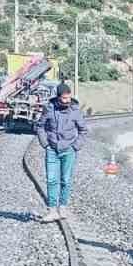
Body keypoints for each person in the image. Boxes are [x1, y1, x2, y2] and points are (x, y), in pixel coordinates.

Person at [36, 81, 88, 221]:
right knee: (52, 180)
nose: (67, 101)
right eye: (64, 98)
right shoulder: (49, 109)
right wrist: (45, 144)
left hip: (69, 150)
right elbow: (40, 126)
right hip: (52, 150)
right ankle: (52, 210)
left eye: (68, 98)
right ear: (58, 97)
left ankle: (63, 207)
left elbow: (83, 130)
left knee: (65, 180)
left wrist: (75, 146)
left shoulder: (75, 111)